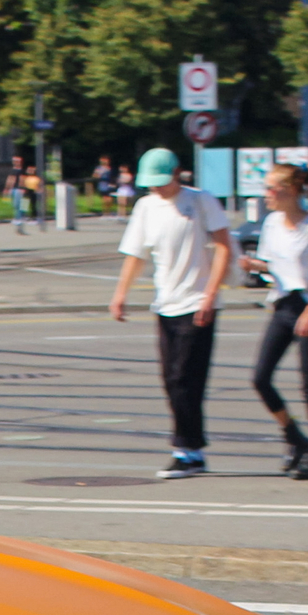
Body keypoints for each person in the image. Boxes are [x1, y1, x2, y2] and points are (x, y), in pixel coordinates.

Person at [108, 146, 234, 479]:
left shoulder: (201, 200)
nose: (157, 189)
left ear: (177, 173)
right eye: (152, 184)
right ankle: (192, 450)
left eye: (162, 182)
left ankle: (185, 450)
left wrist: (211, 293)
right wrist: (120, 294)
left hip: (198, 302)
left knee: (185, 378)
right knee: (171, 379)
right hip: (166, 303)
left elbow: (223, 246)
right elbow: (136, 254)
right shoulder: (146, 207)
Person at [240, 162, 308, 478]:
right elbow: (271, 265)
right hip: (282, 304)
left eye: (270, 188)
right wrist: (253, 265)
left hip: (307, 304)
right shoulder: (272, 224)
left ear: (289, 190)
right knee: (260, 378)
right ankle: (294, 436)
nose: (265, 195)